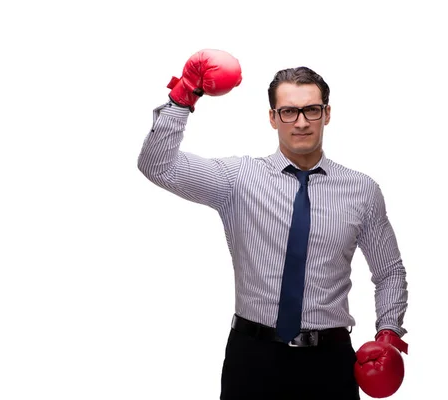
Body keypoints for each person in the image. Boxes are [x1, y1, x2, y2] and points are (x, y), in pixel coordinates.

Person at [138, 49, 409, 400]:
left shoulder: (362, 190)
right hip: (253, 359)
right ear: (272, 117)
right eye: (289, 111)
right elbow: (157, 166)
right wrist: (185, 92)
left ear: (327, 114)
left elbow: (390, 272)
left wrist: (389, 334)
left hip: (330, 361)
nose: (301, 122)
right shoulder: (237, 179)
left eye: (311, 109)